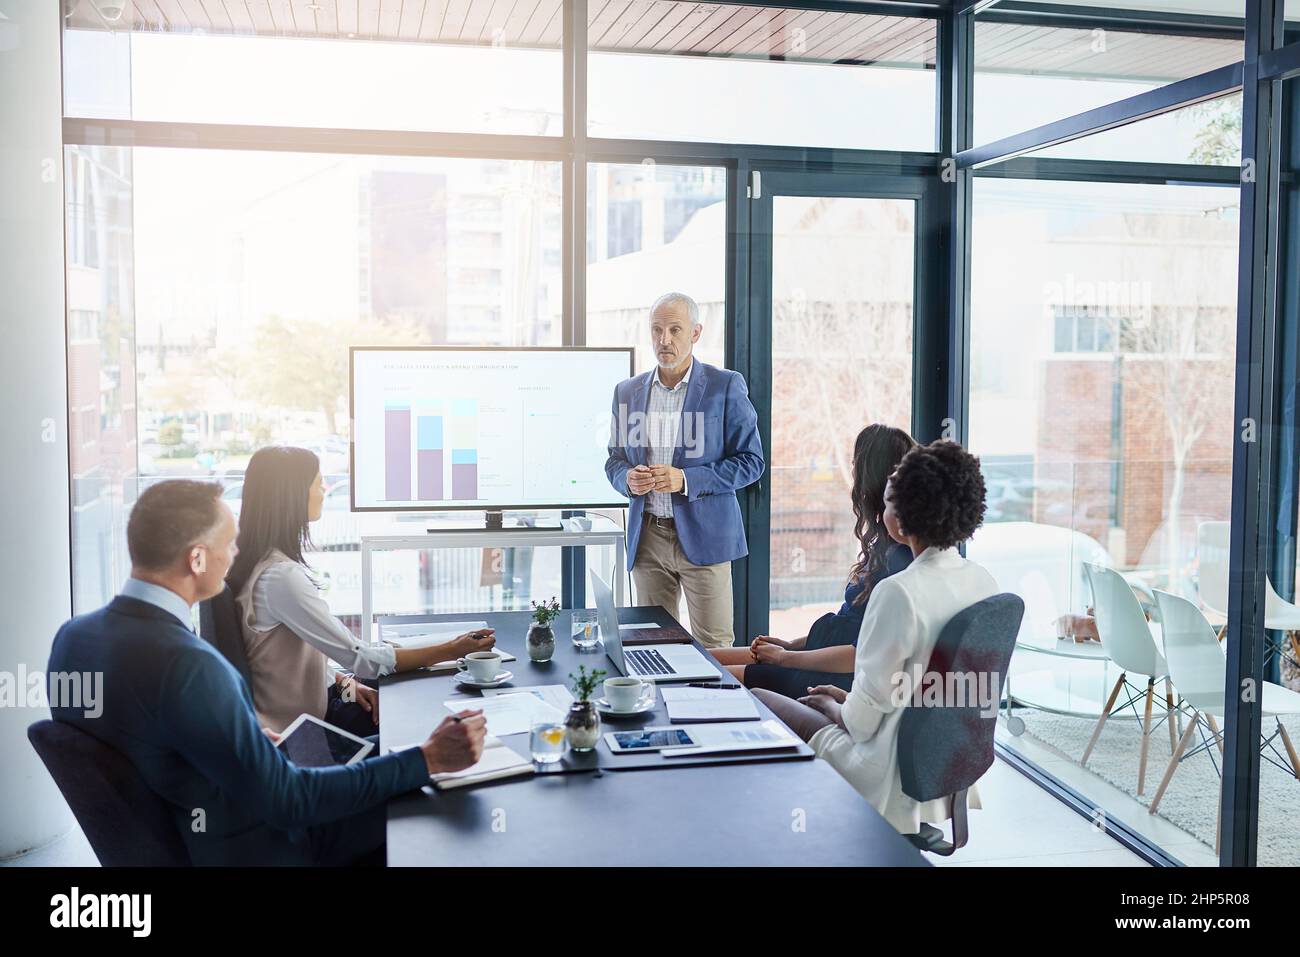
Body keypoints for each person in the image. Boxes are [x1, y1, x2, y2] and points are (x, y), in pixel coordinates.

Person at [46, 479, 487, 865]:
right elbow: (290, 801)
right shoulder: (190, 666)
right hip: (252, 845)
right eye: (229, 543)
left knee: (381, 750)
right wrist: (428, 758)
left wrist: (237, 738)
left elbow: (150, 737)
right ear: (196, 559)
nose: (235, 554)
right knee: (420, 797)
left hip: (189, 829)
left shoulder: (72, 639)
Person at [753, 440, 998, 835]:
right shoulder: (983, 582)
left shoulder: (899, 591)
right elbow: (927, 691)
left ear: (901, 520)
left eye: (886, 503)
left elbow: (863, 726)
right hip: (946, 769)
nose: (881, 512)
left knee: (759, 700)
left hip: (884, 770)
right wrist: (849, 701)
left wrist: (837, 709)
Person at [225, 446, 495, 735]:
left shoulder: (255, 562)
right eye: (318, 482)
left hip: (317, 703)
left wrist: (340, 680)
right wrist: (452, 650)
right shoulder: (280, 577)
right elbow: (363, 660)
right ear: (294, 495)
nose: (324, 489)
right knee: (422, 721)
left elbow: (281, 658)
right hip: (300, 732)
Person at [604, 291, 765, 648]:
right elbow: (614, 459)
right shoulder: (627, 392)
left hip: (706, 537)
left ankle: (717, 707)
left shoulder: (724, 386)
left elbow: (752, 462)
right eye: (657, 330)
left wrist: (686, 479)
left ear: (695, 333)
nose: (665, 340)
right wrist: (626, 479)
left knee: (715, 647)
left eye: (675, 330)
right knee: (653, 645)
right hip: (647, 538)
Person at [711, 424, 916, 696]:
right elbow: (846, 625)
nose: (852, 470)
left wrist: (785, 657)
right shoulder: (884, 543)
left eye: (855, 463)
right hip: (815, 658)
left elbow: (858, 653)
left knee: (711, 674)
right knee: (704, 656)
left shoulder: (899, 561)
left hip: (835, 675)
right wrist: (791, 645)